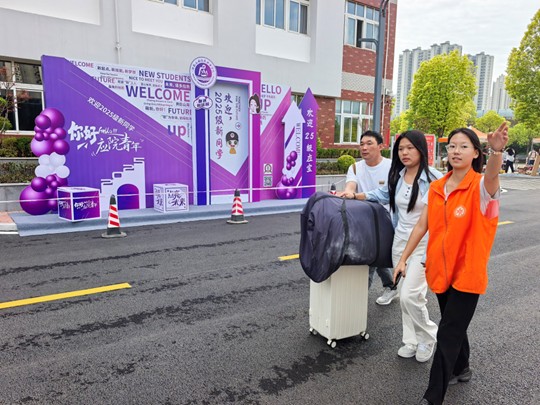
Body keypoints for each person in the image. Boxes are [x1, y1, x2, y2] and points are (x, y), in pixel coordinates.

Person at [394, 122, 509, 405]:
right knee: (453, 324)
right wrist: (403, 258)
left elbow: (492, 176)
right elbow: (422, 225)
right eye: (453, 146)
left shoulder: (481, 187)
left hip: (468, 274)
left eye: (464, 147)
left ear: (475, 153)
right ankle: (462, 368)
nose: (456, 151)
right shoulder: (436, 187)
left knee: (447, 333)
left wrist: (496, 152)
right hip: (440, 271)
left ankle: (433, 397)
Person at [351, 130, 442, 362]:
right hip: (399, 242)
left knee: (411, 295)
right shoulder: (398, 175)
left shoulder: (435, 178)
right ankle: (411, 340)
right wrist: (354, 196)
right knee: (403, 295)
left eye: (410, 148)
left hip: (424, 244)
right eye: (401, 149)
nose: (404, 153)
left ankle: (428, 336)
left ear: (421, 149)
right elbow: (381, 194)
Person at [336, 130, 396, 305]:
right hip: (362, 221)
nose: (364, 147)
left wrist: (358, 196)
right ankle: (390, 286)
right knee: (373, 256)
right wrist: (348, 193)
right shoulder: (355, 167)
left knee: (371, 257)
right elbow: (350, 186)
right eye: (362, 144)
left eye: (369, 143)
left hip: (386, 221)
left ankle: (358, 301)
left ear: (381, 146)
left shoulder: (391, 167)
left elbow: (388, 194)